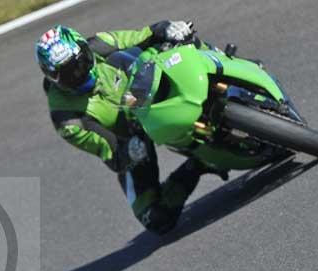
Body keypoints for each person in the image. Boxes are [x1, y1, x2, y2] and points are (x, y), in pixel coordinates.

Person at [36, 21, 221, 234]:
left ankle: (226, 64)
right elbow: (111, 152)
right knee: (155, 218)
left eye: (82, 63)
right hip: (131, 134)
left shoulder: (99, 44)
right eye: (68, 75)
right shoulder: (66, 120)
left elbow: (142, 35)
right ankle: (199, 164)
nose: (80, 74)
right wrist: (128, 151)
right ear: (52, 77)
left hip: (146, 84)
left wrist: (167, 29)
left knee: (180, 40)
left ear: (85, 49)